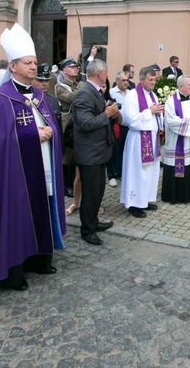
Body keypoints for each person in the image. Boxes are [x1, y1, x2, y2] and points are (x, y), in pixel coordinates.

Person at [0, 24, 66, 291]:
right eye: (27, 63)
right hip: (14, 175)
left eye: (34, 62)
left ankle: (39, 260)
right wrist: (33, 135)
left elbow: (52, 126)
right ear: (13, 66)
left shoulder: (40, 96)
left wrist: (50, 131)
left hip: (42, 167)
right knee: (16, 216)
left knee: (41, 209)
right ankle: (11, 272)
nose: (34, 67)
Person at [72, 59, 119, 245]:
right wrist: (107, 114)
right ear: (99, 73)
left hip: (100, 151)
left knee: (98, 191)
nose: (107, 74)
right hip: (89, 153)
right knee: (90, 194)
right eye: (106, 71)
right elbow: (85, 124)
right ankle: (87, 230)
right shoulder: (84, 93)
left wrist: (111, 113)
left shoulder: (95, 91)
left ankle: (93, 222)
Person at [120, 66, 164, 218]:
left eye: (154, 79)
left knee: (151, 171)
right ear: (141, 80)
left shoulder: (152, 95)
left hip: (152, 138)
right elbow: (130, 119)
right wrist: (150, 112)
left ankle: (145, 200)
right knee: (138, 172)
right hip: (138, 139)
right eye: (150, 80)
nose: (153, 82)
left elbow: (155, 113)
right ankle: (134, 203)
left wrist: (159, 116)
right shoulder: (132, 96)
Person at [162, 75, 190, 203]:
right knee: (182, 165)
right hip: (180, 141)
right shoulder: (171, 102)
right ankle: (178, 196)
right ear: (180, 86)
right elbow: (172, 121)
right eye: (189, 84)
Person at [56, 57, 83, 211]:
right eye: (72, 67)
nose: (76, 69)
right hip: (68, 125)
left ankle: (74, 185)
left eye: (77, 67)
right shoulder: (61, 86)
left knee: (76, 158)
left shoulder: (78, 84)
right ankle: (66, 185)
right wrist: (82, 88)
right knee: (67, 156)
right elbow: (73, 98)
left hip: (78, 124)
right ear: (64, 70)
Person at [108, 70, 131, 188]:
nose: (126, 82)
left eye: (127, 80)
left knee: (124, 150)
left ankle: (121, 172)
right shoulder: (112, 92)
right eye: (123, 80)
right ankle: (111, 175)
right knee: (114, 151)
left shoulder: (131, 93)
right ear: (117, 81)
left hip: (128, 126)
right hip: (116, 126)